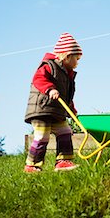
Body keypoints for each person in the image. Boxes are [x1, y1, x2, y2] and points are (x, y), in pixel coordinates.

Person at [24, 32, 82, 172]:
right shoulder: (49, 66)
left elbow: (66, 95)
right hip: (41, 109)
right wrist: (50, 89)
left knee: (65, 132)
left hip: (55, 111)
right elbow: (38, 79)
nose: (77, 63)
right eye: (76, 59)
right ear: (67, 56)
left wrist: (71, 108)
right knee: (42, 136)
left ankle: (63, 161)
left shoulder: (67, 74)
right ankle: (32, 165)